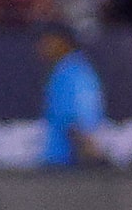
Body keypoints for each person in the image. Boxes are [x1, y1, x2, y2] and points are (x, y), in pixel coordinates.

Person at [39, 29, 108, 169]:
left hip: (67, 166)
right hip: (63, 162)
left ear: (64, 43)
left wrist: (93, 155)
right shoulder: (71, 70)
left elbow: (78, 119)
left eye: (48, 41)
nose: (42, 46)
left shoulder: (71, 74)